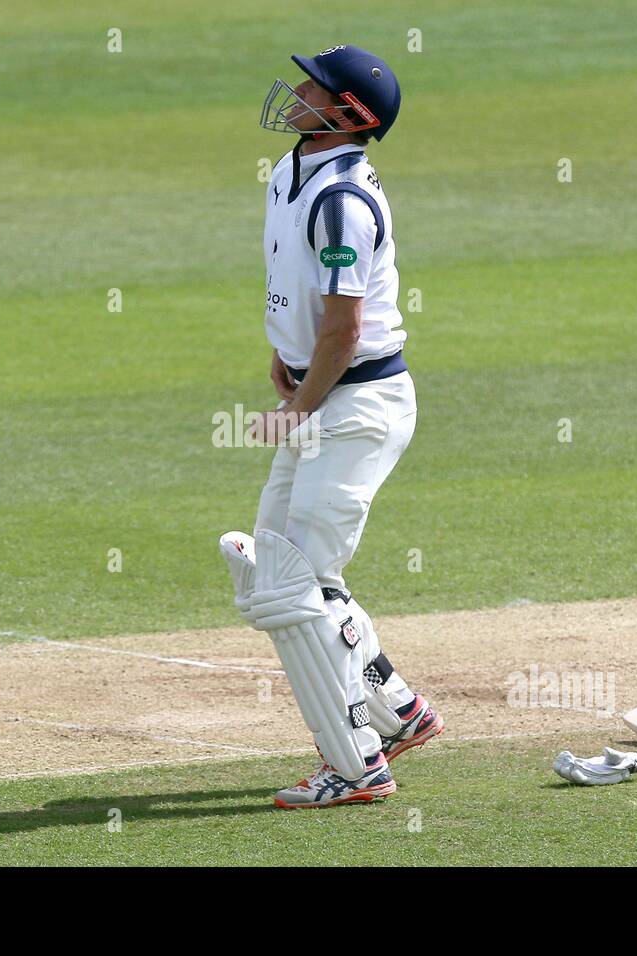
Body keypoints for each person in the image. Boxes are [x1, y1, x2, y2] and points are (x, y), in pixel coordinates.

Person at [219, 45, 443, 809]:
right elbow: (301, 294)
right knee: (271, 586)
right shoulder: (292, 171)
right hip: (321, 394)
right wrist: (288, 362)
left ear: (349, 113)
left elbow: (346, 332)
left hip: (356, 405)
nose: (299, 90)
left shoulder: (343, 198)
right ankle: (399, 709)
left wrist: (298, 404)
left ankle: (357, 765)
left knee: (297, 585)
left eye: (317, 85)